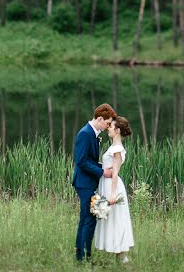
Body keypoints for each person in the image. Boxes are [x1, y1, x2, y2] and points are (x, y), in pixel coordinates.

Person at [72, 103, 116, 263]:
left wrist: (102, 167)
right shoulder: (86, 134)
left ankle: (81, 257)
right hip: (84, 183)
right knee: (89, 219)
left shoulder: (92, 133)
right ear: (99, 119)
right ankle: (84, 258)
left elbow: (89, 161)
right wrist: (103, 172)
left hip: (87, 182)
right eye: (107, 123)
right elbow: (81, 161)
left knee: (86, 219)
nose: (108, 126)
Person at [94, 116, 135, 263]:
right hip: (106, 183)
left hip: (113, 186)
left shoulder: (117, 149)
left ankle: (121, 255)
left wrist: (112, 194)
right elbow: (107, 166)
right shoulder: (113, 147)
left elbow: (115, 172)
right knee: (110, 219)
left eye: (111, 126)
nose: (108, 128)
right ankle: (116, 254)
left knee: (116, 219)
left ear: (117, 130)